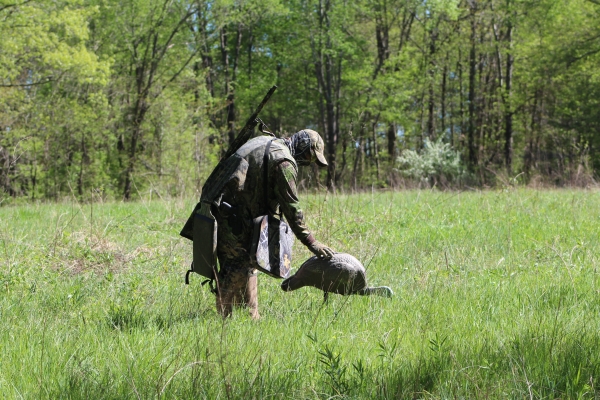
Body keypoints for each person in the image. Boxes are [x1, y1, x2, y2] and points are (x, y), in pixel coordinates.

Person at [182, 129, 334, 319]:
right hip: (233, 218)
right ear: (303, 147)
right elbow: (292, 208)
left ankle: (250, 317)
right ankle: (224, 324)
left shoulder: (266, 141)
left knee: (246, 264)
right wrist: (312, 242)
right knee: (234, 269)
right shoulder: (284, 162)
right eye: (310, 156)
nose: (309, 162)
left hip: (221, 211)